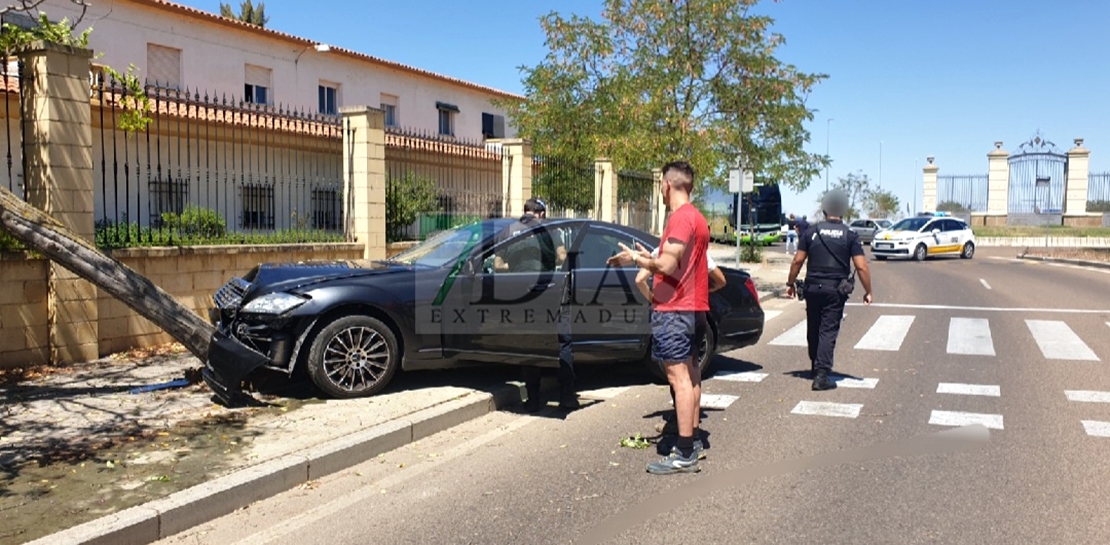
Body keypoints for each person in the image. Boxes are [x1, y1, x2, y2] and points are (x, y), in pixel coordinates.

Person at [609, 160, 709, 475]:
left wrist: (636, 258)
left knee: (678, 378)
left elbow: (667, 267)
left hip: (676, 309)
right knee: (691, 374)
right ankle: (691, 440)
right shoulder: (697, 219)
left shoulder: (681, 219)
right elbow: (676, 263)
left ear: (666, 184)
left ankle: (683, 452)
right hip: (691, 306)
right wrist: (652, 256)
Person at [636, 246, 725, 448]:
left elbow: (639, 280)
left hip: (675, 315)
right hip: (698, 314)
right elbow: (721, 280)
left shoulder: (662, 250)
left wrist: (654, 299)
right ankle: (693, 434)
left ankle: (684, 442)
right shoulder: (699, 253)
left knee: (678, 376)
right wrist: (702, 290)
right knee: (693, 372)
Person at [494, 198, 577, 412]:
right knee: (563, 342)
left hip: (521, 294)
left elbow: (498, 265)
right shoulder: (549, 229)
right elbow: (561, 257)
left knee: (529, 342)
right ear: (540, 214)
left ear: (526, 212)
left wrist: (517, 266)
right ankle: (566, 396)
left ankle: (533, 400)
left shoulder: (508, 231)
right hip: (548, 291)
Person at [786, 190, 873, 391]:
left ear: (825, 209)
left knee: (814, 327)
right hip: (835, 290)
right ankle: (822, 374)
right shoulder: (850, 235)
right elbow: (861, 266)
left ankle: (814, 365)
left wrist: (790, 283)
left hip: (812, 287)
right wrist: (868, 290)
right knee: (828, 330)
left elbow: (798, 260)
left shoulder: (811, 232)